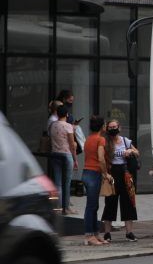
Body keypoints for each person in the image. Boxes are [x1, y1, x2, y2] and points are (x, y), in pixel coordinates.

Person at [101, 119, 140, 242]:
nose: (113, 129)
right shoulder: (105, 142)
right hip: (112, 173)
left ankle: (129, 232)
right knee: (110, 201)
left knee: (128, 201)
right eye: (110, 127)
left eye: (114, 126)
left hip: (125, 173)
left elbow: (137, 153)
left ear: (119, 127)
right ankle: (107, 233)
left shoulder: (125, 141)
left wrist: (131, 151)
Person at [82, 115, 111, 246]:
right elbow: (100, 158)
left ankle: (95, 234)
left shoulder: (88, 139)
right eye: (104, 124)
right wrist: (105, 173)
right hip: (94, 173)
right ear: (101, 126)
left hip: (86, 172)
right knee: (91, 206)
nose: (105, 126)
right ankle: (89, 236)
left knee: (93, 206)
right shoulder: (101, 139)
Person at [49, 105, 78, 215]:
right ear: (66, 114)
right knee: (67, 183)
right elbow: (72, 145)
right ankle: (66, 208)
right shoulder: (68, 126)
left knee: (58, 183)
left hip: (55, 154)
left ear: (57, 114)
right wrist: (75, 159)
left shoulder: (52, 125)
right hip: (66, 155)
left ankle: (58, 207)